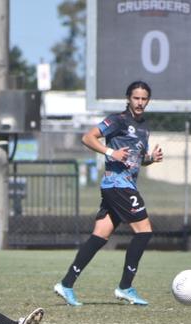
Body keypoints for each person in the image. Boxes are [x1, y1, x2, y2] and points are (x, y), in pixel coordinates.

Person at [54, 81, 163, 306]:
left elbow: (136, 160)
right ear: (128, 98)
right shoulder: (117, 120)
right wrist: (111, 151)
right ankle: (125, 287)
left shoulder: (144, 127)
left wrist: (151, 158)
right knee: (144, 232)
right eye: (136, 98)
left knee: (99, 237)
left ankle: (65, 284)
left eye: (144, 99)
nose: (140, 102)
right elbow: (88, 137)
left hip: (123, 186)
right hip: (118, 185)